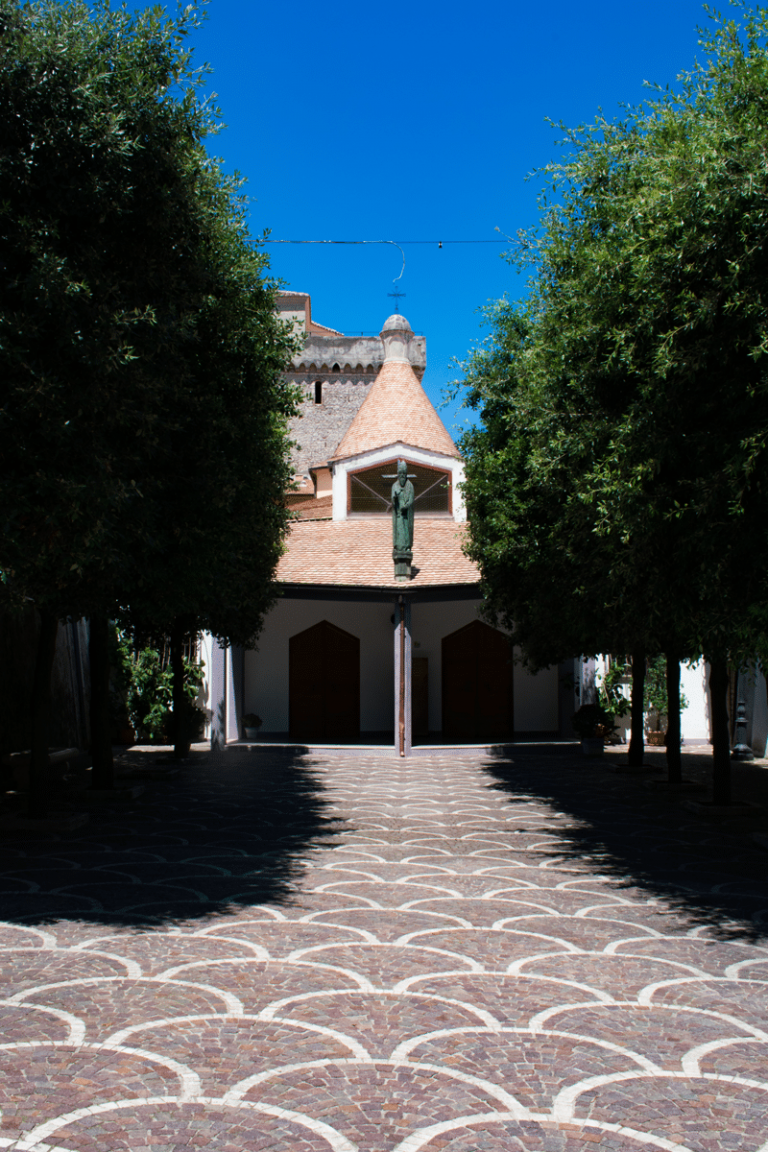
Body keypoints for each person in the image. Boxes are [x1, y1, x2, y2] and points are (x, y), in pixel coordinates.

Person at [391, 459, 414, 556]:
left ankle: (407, 547)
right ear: (398, 474)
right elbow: (392, 499)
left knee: (406, 530)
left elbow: (411, 499)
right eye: (400, 474)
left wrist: (406, 506)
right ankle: (398, 547)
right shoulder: (394, 486)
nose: (402, 476)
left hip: (406, 514)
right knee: (398, 529)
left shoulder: (410, 486)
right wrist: (395, 498)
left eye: (404, 474)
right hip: (398, 514)